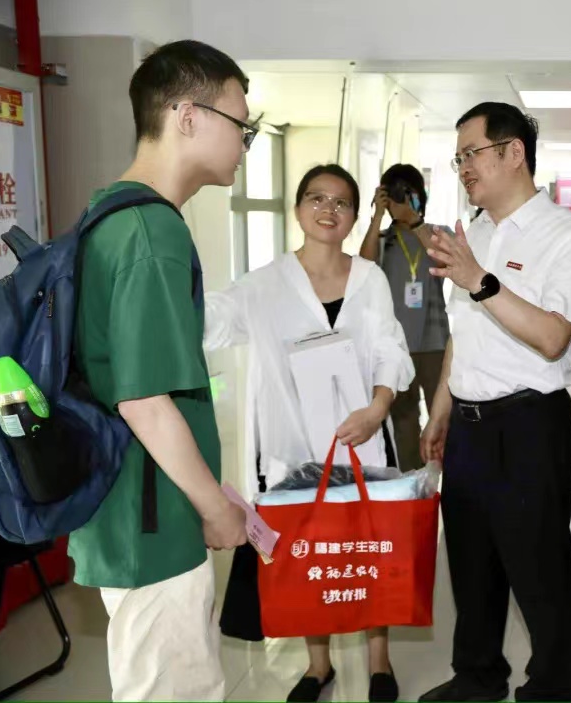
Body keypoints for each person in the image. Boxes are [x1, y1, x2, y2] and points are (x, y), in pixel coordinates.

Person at [67, 40, 251, 702]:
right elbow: (144, 401)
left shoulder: (112, 211)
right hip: (153, 524)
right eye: (241, 124)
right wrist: (214, 509)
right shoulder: (151, 232)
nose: (245, 142)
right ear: (188, 116)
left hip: (133, 507)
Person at [206, 164, 413, 703]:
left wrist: (378, 407)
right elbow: (212, 320)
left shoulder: (370, 279)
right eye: (317, 198)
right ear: (297, 209)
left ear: (354, 216)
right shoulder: (263, 284)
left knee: (368, 550)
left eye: (341, 202)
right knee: (310, 555)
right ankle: (318, 666)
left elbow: (391, 349)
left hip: (362, 438)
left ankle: (380, 660)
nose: (328, 209)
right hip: (292, 448)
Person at [417, 102, 571, 702]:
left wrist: (479, 280)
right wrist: (441, 407)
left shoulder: (565, 234)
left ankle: (552, 688)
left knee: (539, 567)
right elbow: (462, 334)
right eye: (458, 158)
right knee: (471, 562)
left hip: (529, 423)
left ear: (514, 152)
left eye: (472, 153)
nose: (464, 167)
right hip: (468, 425)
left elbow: (552, 337)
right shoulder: (475, 233)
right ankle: (478, 676)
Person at [360, 164, 450, 471]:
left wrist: (415, 221)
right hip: (396, 347)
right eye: (394, 193)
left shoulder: (437, 234)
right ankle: (413, 483)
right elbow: (364, 269)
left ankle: (447, 479)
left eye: (406, 192)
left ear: (420, 195)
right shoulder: (383, 239)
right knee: (403, 423)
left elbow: (445, 260)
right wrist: (377, 216)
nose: (400, 199)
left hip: (435, 344)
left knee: (444, 419)